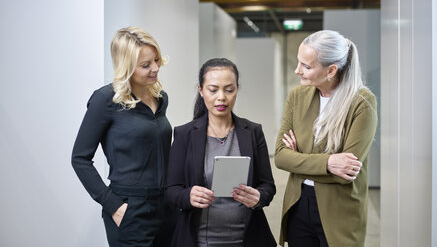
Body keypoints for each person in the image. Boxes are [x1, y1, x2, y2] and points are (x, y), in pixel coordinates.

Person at [72, 27, 174, 247]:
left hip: (166, 207)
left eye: (156, 60)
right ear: (126, 67)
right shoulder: (105, 100)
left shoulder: (160, 98)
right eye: (146, 65)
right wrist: (113, 205)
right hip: (130, 210)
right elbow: (79, 158)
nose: (155, 68)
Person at [275, 30, 378, 247]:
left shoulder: (361, 103)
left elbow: (346, 173)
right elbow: (281, 157)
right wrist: (329, 163)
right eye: (298, 62)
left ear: (331, 70)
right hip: (299, 203)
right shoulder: (297, 96)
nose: (297, 70)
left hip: (340, 210)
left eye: (307, 66)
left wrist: (299, 159)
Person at [165, 58, 276, 247]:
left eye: (229, 89)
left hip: (248, 239)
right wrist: (188, 195)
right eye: (213, 89)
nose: (221, 97)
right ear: (201, 90)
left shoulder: (253, 132)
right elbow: (171, 190)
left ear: (237, 89)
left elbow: (268, 186)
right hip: (198, 240)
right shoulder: (185, 134)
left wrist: (258, 198)